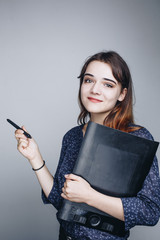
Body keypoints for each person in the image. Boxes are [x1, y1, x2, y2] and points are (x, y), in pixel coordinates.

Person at [15, 51, 160, 240]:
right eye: (88, 80)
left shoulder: (138, 138)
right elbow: (62, 201)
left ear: (122, 94)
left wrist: (89, 196)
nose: (95, 90)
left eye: (108, 84)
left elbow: (150, 212)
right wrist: (34, 157)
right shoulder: (72, 137)